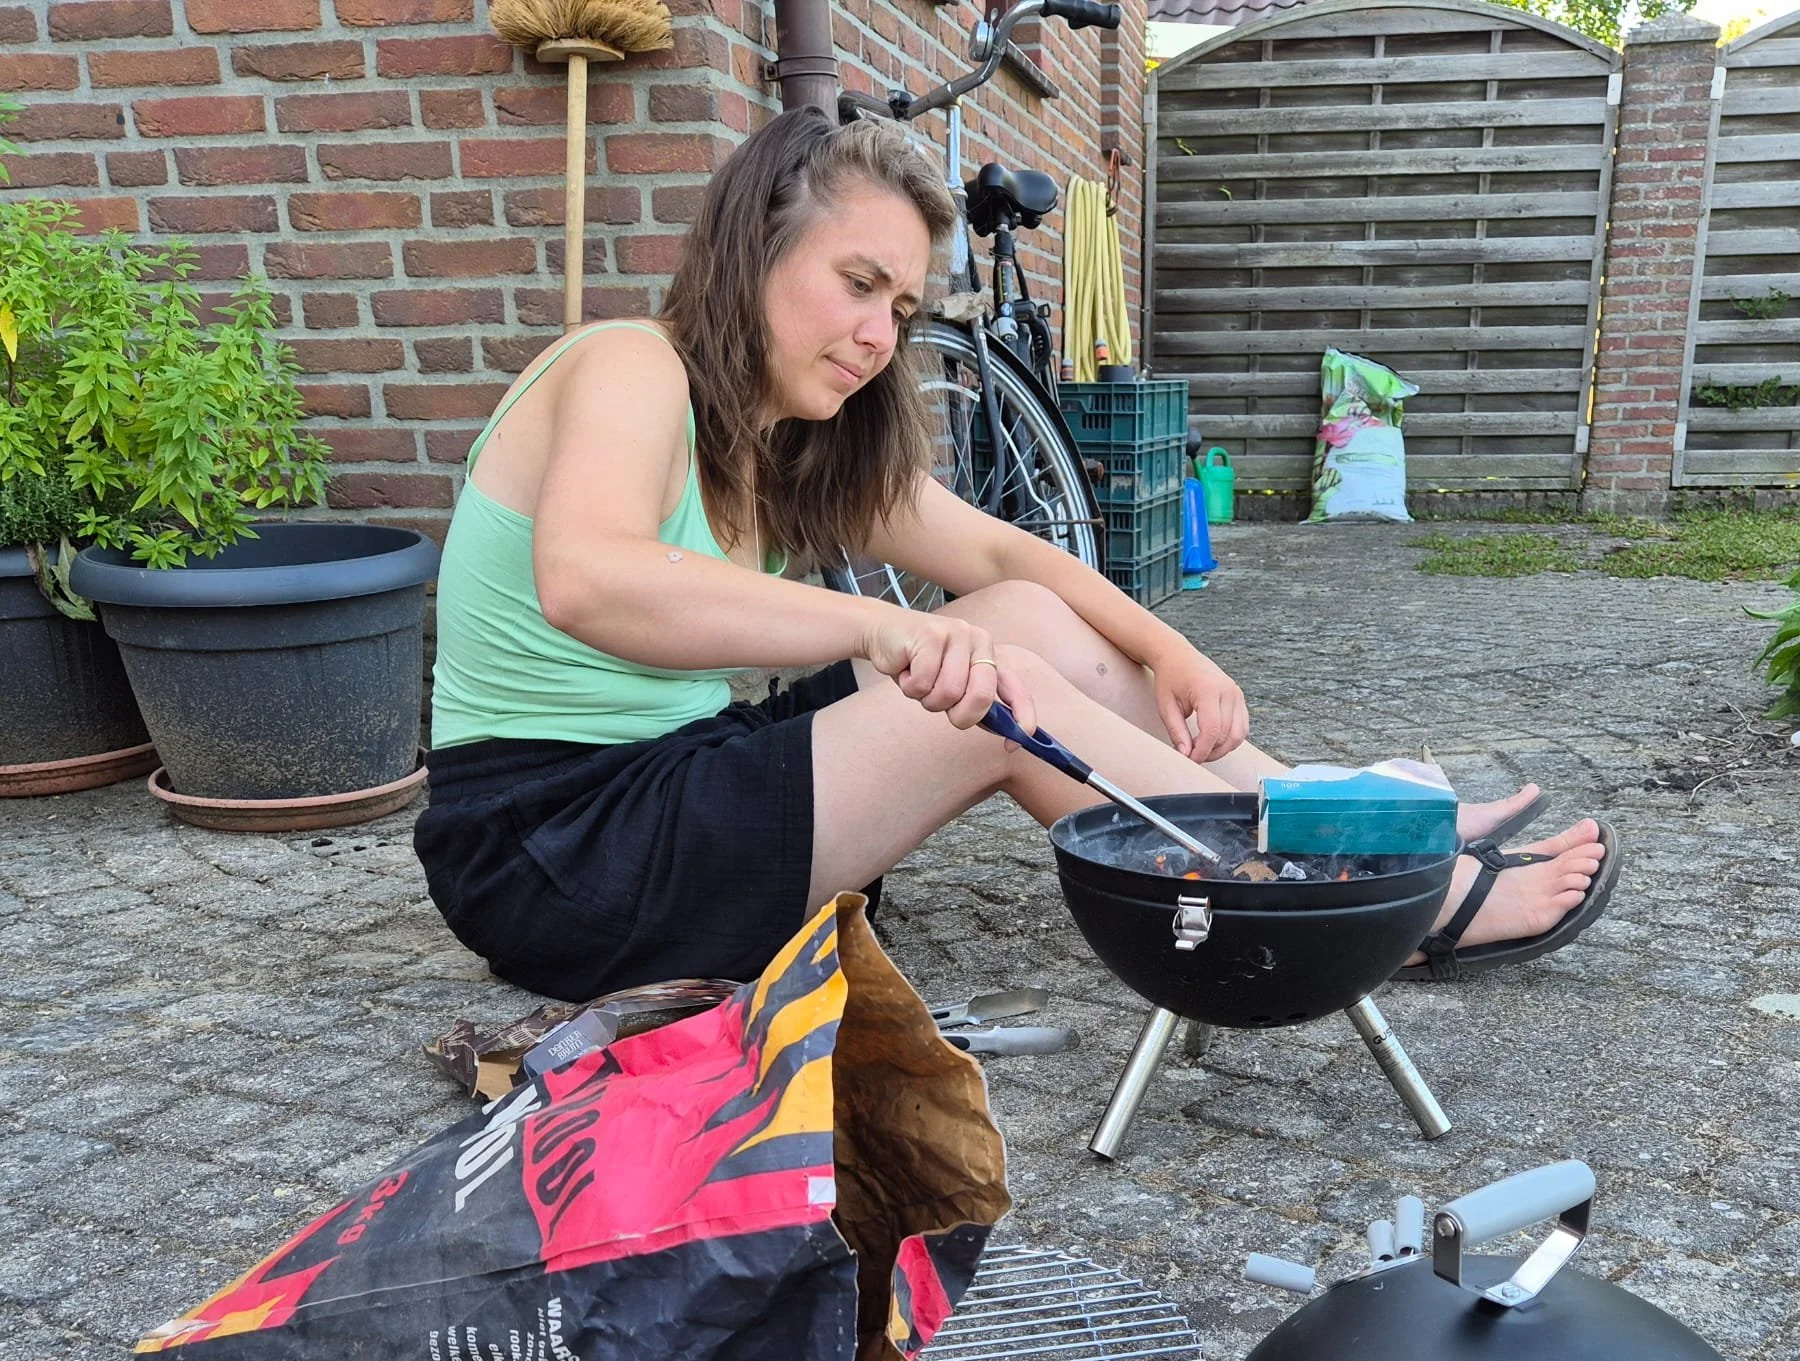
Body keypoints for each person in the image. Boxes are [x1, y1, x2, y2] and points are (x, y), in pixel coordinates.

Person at [416, 108, 1614, 1003]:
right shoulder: (627, 362)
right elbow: (591, 581)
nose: (878, 336)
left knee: (1018, 626)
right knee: (992, 693)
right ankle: (1355, 900)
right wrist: (878, 626)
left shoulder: (789, 434)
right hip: (549, 848)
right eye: (857, 285)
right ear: (751, 250)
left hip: (670, 780)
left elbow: (1006, 553)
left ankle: (1340, 825)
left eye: (899, 305)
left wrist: (1169, 647)